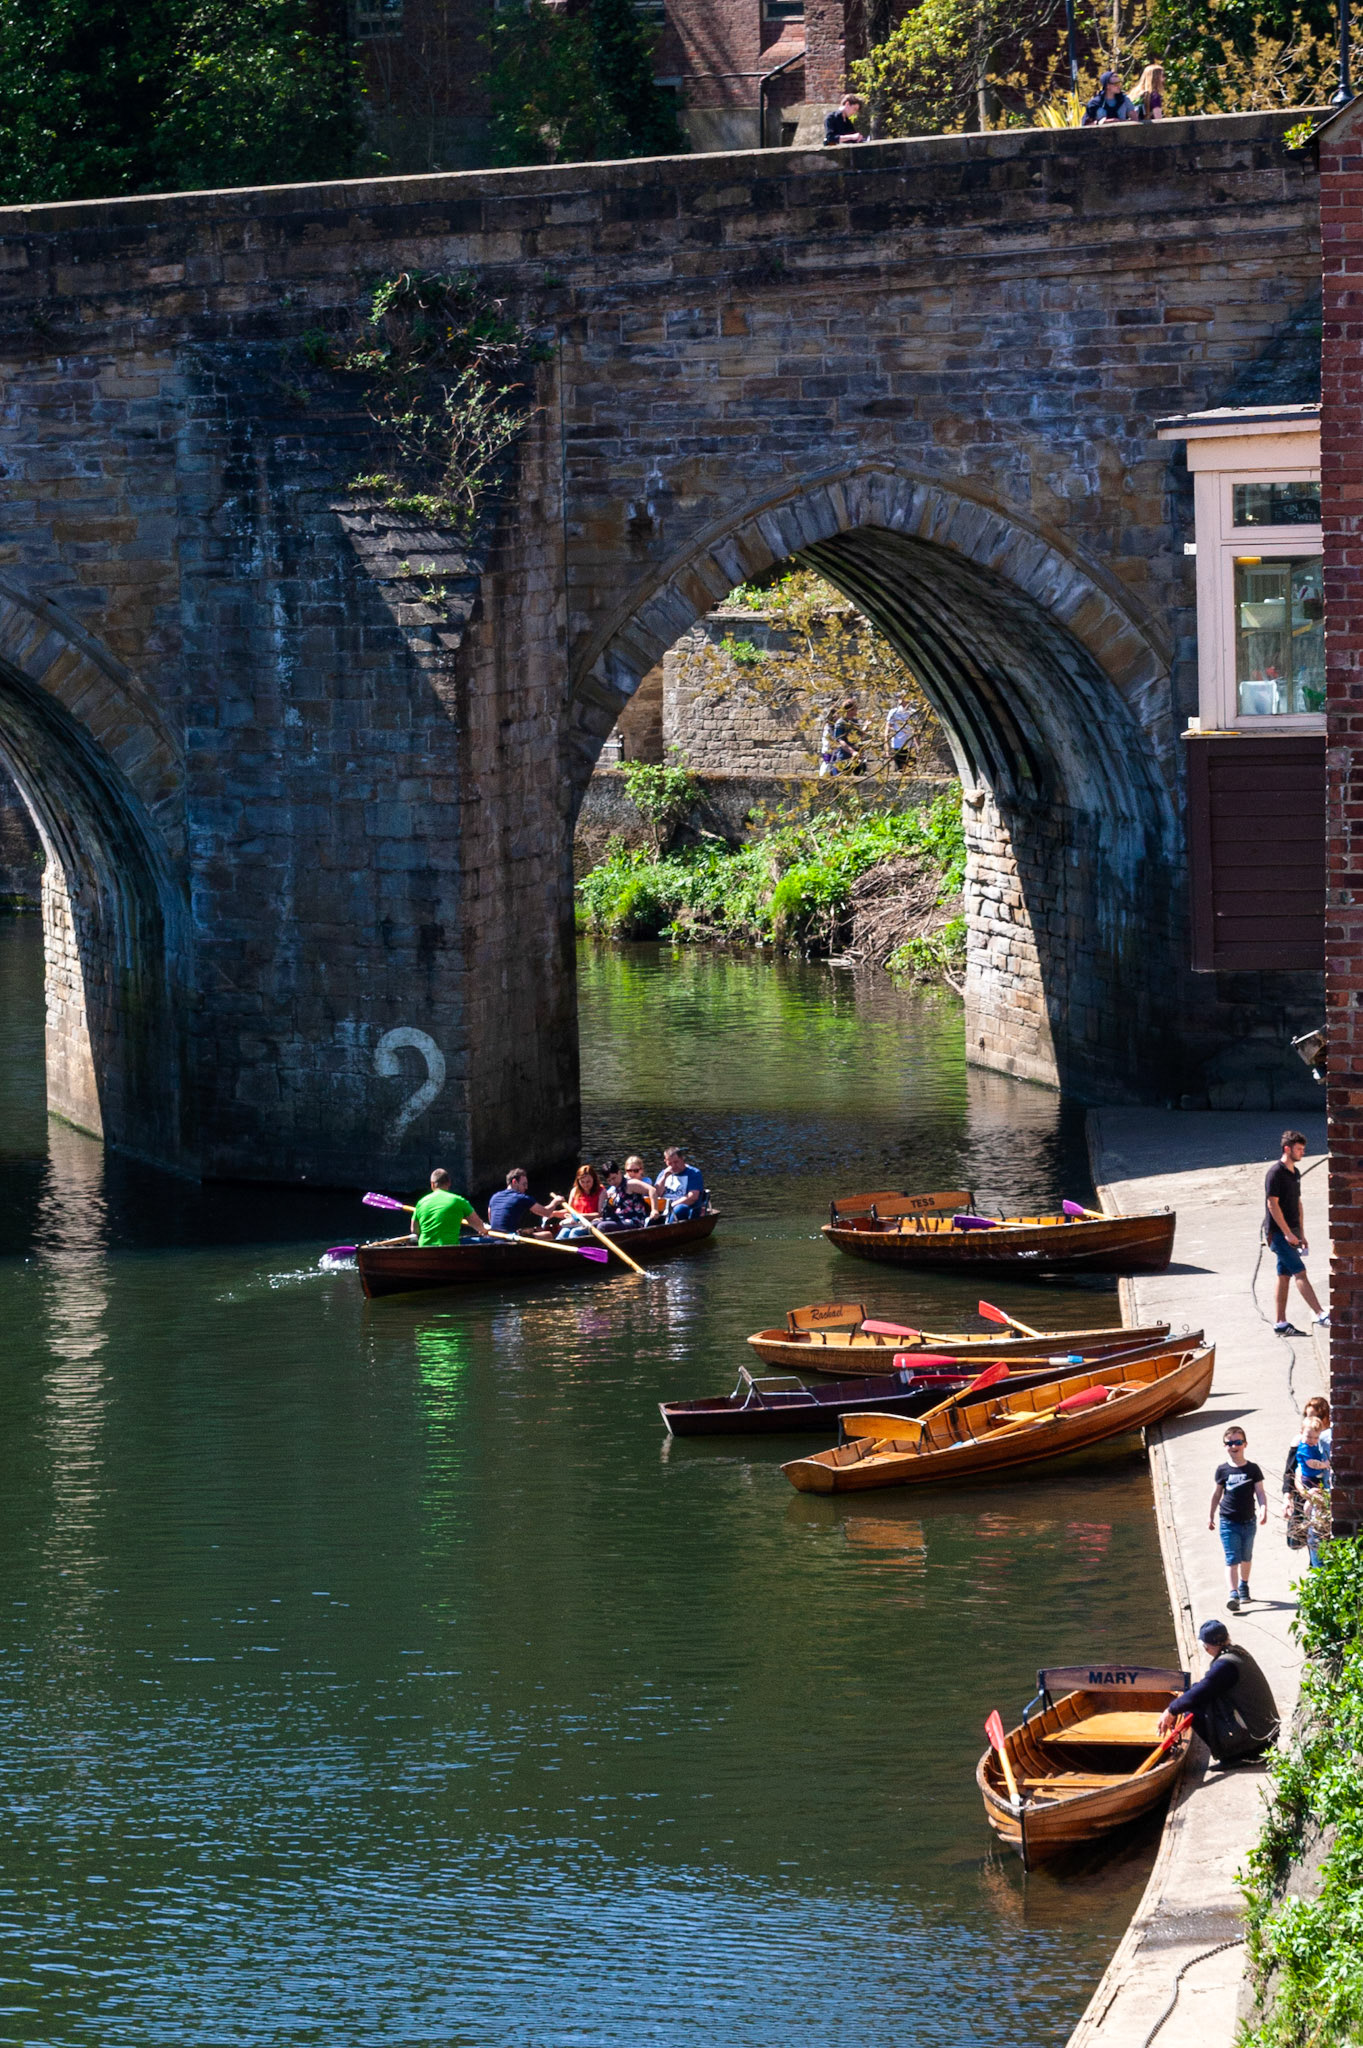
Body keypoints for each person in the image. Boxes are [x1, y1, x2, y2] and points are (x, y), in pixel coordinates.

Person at [1157, 1620, 1279, 1764]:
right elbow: (1205, 1686)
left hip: (1258, 1740)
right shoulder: (1237, 1652)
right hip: (1267, 1733)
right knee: (1196, 1694)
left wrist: (1171, 1710)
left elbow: (1200, 1693)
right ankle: (1239, 1750)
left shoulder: (1225, 1665)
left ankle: (1234, 1755)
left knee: (1191, 1709)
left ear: (1207, 1647)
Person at [1264, 1129, 1329, 1335]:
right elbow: (1272, 1205)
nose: (1303, 1152)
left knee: (1284, 1276)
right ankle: (1320, 1314)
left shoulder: (1296, 1173)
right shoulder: (1275, 1173)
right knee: (1300, 1272)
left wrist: (1301, 1233)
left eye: (1303, 1149)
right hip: (1279, 1233)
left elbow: (1297, 1203)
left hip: (1292, 1231)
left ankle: (1281, 1323)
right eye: (1299, 1149)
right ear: (1287, 1149)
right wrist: (1286, 1233)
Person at [1209, 1426, 1267, 1609]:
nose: (1234, 1446)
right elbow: (1217, 1494)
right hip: (1228, 1521)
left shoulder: (1252, 1469)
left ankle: (1244, 1585)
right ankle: (1233, 1594)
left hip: (1249, 1521)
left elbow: (1260, 1492)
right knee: (1232, 1559)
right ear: (1224, 1446)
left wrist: (1263, 1508)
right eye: (1230, 1443)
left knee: (1246, 1558)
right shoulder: (1223, 1470)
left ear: (1245, 1444)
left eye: (1238, 1442)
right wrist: (1210, 1515)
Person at [1284, 1405, 1332, 1567]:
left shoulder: (1320, 1443)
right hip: (1308, 1481)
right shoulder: (1303, 1447)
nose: (1311, 1439)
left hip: (1317, 1485)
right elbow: (1296, 1470)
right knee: (1311, 1521)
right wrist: (1324, 1464)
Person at [411, 1167, 490, 1246]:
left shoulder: (421, 1202)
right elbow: (479, 1226)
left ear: (432, 1184)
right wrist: (484, 1230)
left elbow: (414, 1230)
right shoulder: (459, 1201)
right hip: (450, 1250)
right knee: (488, 1241)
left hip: (424, 1249)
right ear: (449, 1183)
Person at [487, 1167, 556, 1237]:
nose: (526, 1188)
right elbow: (546, 1213)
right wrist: (555, 1202)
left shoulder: (494, 1197)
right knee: (548, 1235)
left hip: (494, 1236)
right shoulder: (522, 1198)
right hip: (510, 1238)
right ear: (514, 1182)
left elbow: (491, 1219)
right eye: (524, 1184)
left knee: (529, 1230)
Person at [553, 1162, 606, 1240]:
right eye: (582, 1182)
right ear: (578, 1181)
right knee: (563, 1233)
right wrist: (554, 1213)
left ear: (594, 1179)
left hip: (591, 1222)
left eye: (588, 1181)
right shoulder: (574, 1191)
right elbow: (569, 1211)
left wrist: (580, 1216)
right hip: (575, 1222)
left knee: (574, 1233)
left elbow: (600, 1214)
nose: (585, 1185)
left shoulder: (601, 1191)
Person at [600, 1159, 656, 1229]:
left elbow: (652, 1190)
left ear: (619, 1172)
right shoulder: (617, 1188)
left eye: (614, 1178)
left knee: (602, 1226)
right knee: (594, 1224)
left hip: (635, 1221)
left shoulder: (630, 1184)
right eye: (609, 1181)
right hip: (621, 1219)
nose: (612, 1182)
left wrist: (654, 1209)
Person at [656, 1146, 706, 1222]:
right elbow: (656, 1194)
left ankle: (667, 1227)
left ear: (682, 1159)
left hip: (683, 1209)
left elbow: (692, 1197)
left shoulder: (694, 1173)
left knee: (681, 1208)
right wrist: (664, 1177)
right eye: (670, 1163)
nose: (673, 1166)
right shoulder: (664, 1173)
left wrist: (671, 1206)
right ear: (665, 1161)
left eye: (676, 1162)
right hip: (664, 1207)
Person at [885, 694, 918, 773]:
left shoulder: (912, 712)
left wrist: (917, 746)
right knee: (902, 769)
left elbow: (915, 731)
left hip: (910, 745)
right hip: (898, 744)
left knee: (911, 768)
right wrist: (887, 748)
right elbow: (888, 729)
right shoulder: (894, 712)